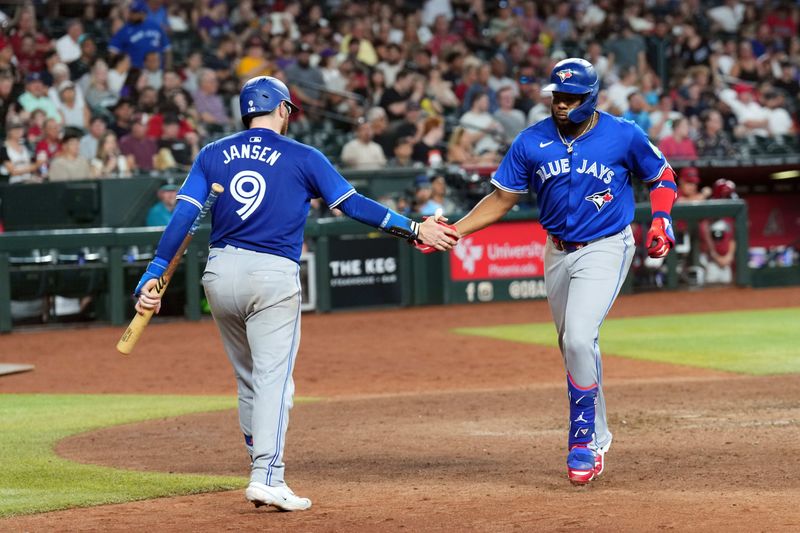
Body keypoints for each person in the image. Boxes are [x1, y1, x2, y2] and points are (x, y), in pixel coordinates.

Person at [131, 76, 457, 511]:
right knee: (274, 381)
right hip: (270, 275)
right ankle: (267, 474)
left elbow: (183, 218)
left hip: (220, 274)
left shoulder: (213, 152)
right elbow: (353, 204)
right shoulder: (304, 155)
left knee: (248, 378)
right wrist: (415, 228)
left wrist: (153, 272)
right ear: (283, 109)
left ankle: (257, 455)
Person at [442, 58, 677, 485]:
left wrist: (662, 219)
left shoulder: (622, 134)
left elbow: (661, 175)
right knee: (574, 345)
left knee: (578, 337)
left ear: (591, 98)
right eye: (557, 97)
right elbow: (500, 199)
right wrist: (453, 232)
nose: (561, 105)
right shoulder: (531, 141)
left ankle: (582, 440)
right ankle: (601, 433)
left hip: (606, 244)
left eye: (570, 98)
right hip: (556, 251)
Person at [698, 178, 737, 284]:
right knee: (710, 287)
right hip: (709, 261)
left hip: (726, 261)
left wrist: (729, 257)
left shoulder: (730, 217)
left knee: (727, 290)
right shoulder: (708, 214)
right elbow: (705, 237)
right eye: (727, 196)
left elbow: (733, 239)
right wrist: (715, 256)